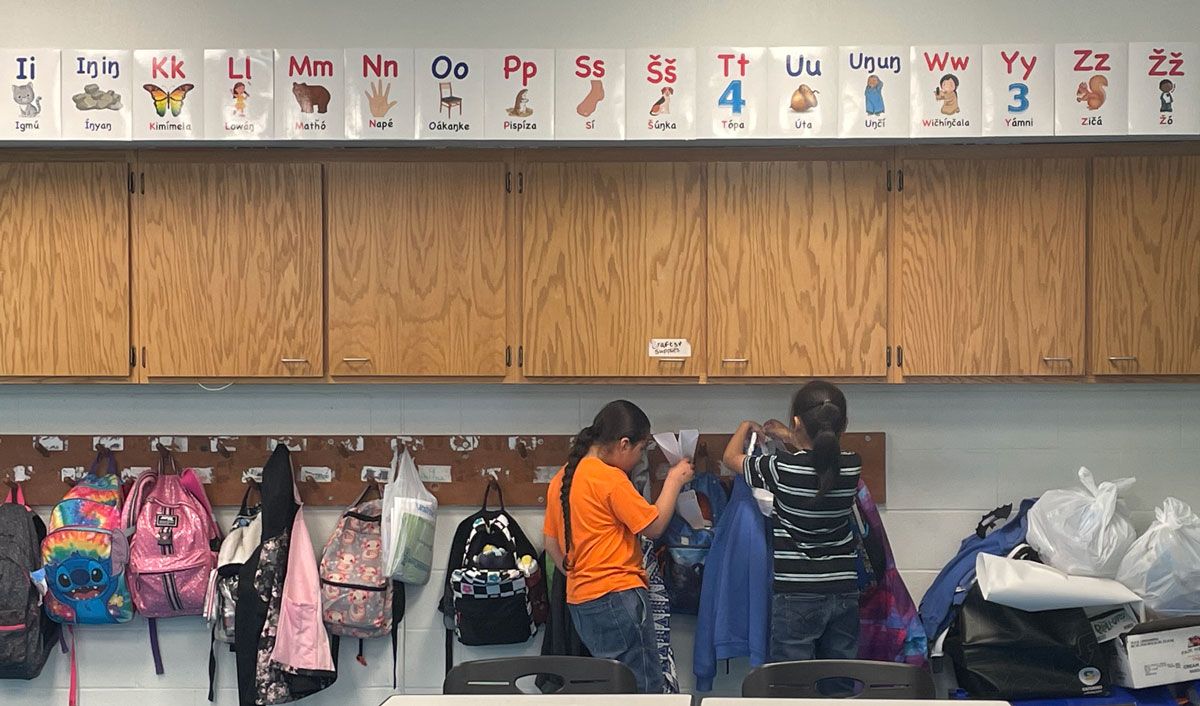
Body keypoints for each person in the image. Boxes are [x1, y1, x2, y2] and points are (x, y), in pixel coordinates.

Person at [543, 400, 694, 693]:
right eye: (640, 451)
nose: (639, 460)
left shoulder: (563, 478)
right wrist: (674, 480)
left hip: (580, 601)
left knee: (612, 689)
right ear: (624, 444)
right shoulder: (609, 479)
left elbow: (551, 543)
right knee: (643, 688)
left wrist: (583, 573)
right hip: (618, 596)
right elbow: (654, 526)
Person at [722, 381, 862, 663]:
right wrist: (790, 433)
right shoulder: (851, 465)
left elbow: (730, 458)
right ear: (844, 423)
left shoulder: (780, 468)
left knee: (793, 684)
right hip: (843, 591)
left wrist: (745, 425)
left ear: (797, 422)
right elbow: (819, 452)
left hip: (795, 596)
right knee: (840, 681)